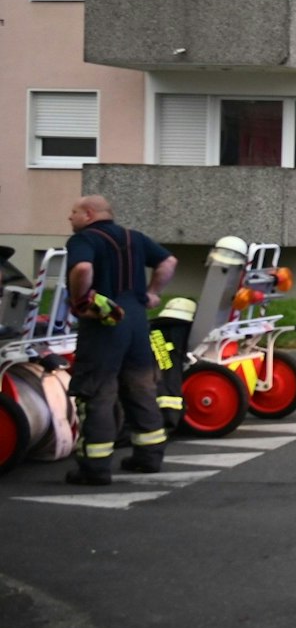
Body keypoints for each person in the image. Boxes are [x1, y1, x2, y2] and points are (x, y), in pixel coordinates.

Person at [62, 194, 176, 484]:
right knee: (141, 388)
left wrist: (80, 300)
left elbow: (83, 269)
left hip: (105, 322)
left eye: (73, 212)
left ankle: (95, 468)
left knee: (97, 392)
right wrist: (152, 293)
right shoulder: (134, 237)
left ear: (88, 214)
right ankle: (148, 457)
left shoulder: (84, 240)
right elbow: (168, 261)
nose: (70, 218)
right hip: (137, 321)